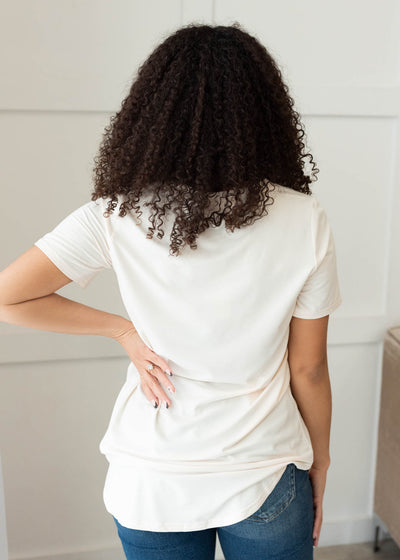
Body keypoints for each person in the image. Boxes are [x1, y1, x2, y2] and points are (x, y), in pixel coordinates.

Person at [0, 22, 342, 560]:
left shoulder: (117, 215)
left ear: (151, 113)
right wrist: (319, 461)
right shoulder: (304, 218)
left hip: (150, 480)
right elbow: (309, 369)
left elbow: (7, 297)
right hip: (266, 474)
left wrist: (122, 332)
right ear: (264, 115)